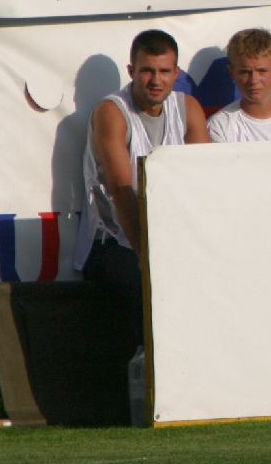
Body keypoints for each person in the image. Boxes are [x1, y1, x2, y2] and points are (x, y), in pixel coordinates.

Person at [75, 29, 209, 348]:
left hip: (174, 237)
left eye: (164, 71)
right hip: (117, 240)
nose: (156, 80)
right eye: (147, 70)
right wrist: (147, 256)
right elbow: (122, 191)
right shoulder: (111, 112)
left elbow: (206, 182)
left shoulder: (188, 108)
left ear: (176, 73)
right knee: (143, 295)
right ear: (131, 72)